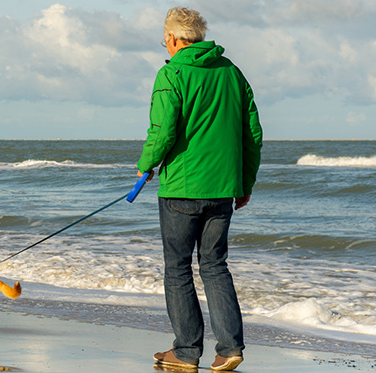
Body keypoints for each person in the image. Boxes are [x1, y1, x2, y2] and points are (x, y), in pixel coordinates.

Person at [136, 6, 262, 372]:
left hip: (182, 190)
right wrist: (245, 181)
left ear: (173, 39)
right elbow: (252, 134)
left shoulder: (171, 73)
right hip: (223, 188)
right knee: (215, 266)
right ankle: (230, 348)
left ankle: (187, 351)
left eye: (165, 39)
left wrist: (145, 166)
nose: (166, 44)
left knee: (177, 269)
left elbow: (162, 132)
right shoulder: (232, 72)